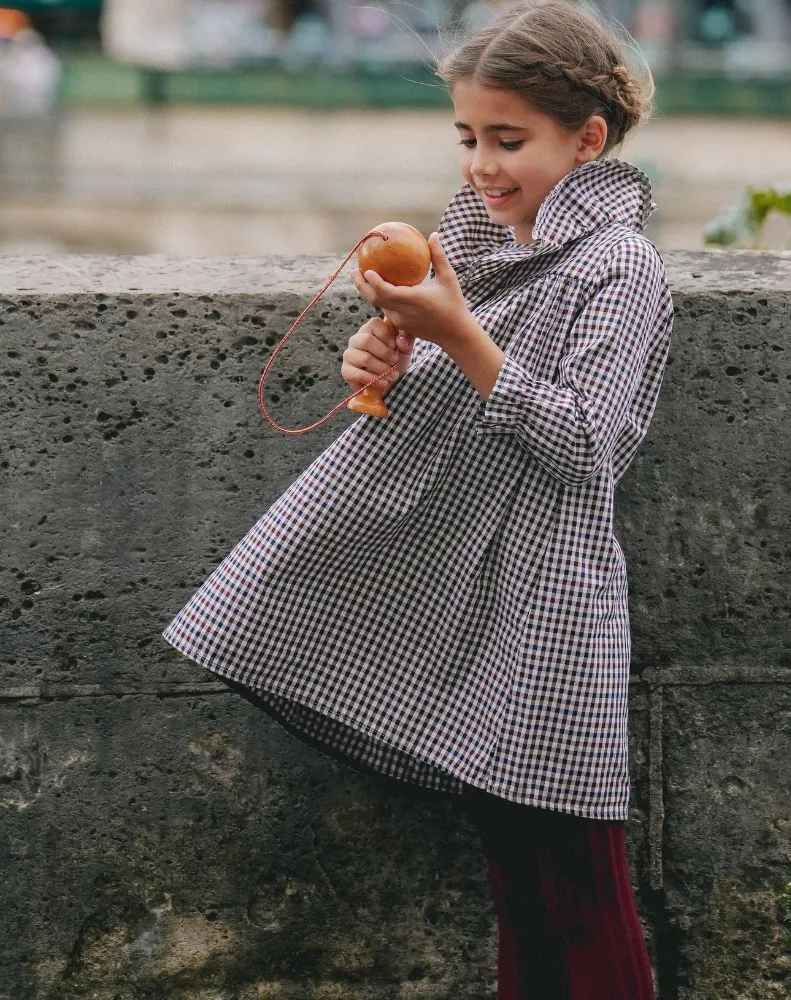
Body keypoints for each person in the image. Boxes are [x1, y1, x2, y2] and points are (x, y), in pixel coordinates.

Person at [163, 1, 673, 996]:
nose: (481, 165)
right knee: (521, 884)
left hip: (546, 609)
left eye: (508, 140)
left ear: (589, 138)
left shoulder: (621, 263)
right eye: (469, 137)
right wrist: (382, 361)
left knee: (578, 890)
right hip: (472, 603)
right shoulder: (480, 254)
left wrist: (458, 337)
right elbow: (459, 403)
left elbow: (583, 444)